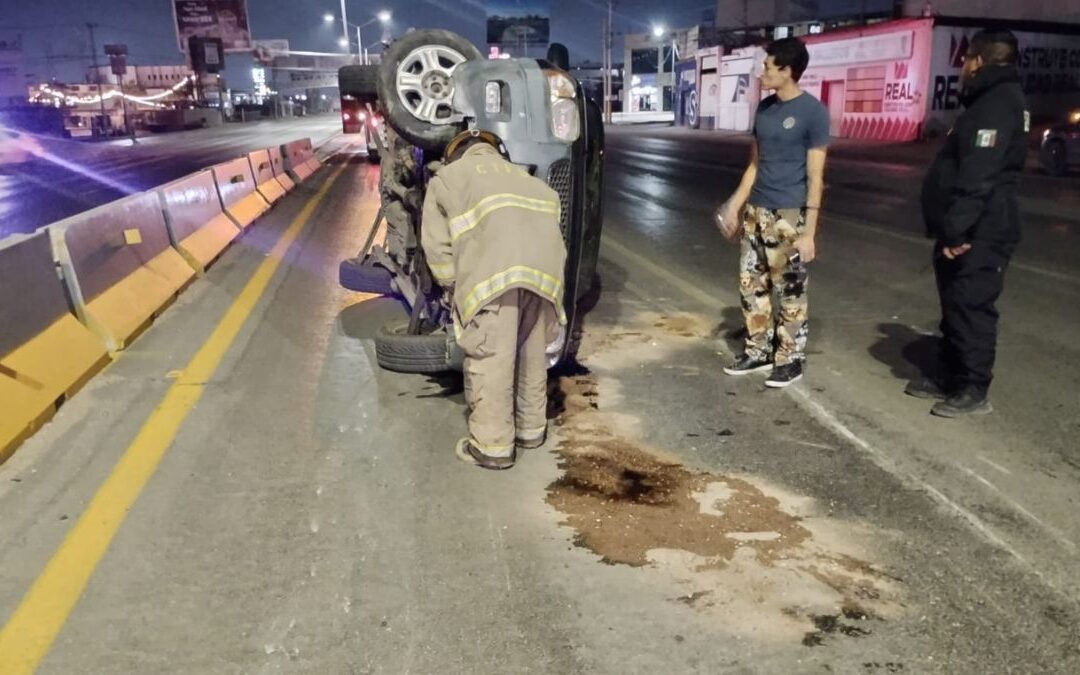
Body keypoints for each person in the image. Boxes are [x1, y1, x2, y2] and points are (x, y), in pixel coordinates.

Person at [420, 130, 567, 470]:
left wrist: (452, 286)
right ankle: (532, 430)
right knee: (531, 356)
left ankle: (492, 446)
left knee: (492, 359)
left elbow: (437, 247)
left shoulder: (449, 178)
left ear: (456, 154)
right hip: (545, 278)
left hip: (492, 280)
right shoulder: (528, 178)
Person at [907, 29, 1028, 417]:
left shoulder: (995, 105)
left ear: (976, 61)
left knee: (971, 306)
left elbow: (979, 175)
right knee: (955, 305)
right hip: (968, 226)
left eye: (965, 61)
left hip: (983, 229)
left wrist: (959, 230)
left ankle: (974, 388)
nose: (962, 68)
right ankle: (950, 375)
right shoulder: (987, 102)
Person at [716, 37, 830, 388]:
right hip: (756, 212)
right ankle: (758, 349)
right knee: (752, 286)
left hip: (789, 215)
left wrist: (809, 231)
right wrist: (735, 205)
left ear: (787, 70)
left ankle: (789, 358)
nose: (761, 72)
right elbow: (754, 164)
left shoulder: (813, 113)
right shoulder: (764, 110)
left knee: (790, 290)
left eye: (767, 66)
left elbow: (815, 176)